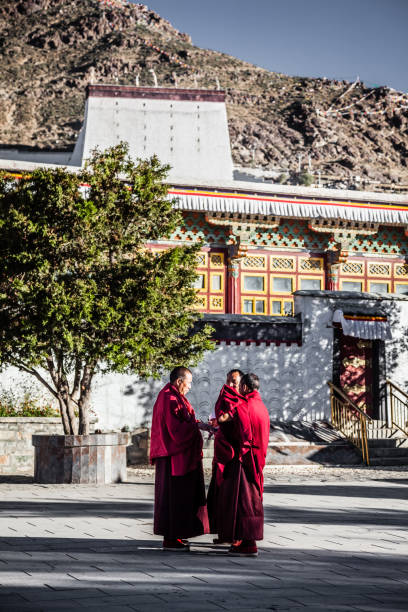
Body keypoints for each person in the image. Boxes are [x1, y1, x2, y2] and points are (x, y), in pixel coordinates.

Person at [150, 366, 208, 551]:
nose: (190, 387)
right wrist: (195, 428)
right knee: (173, 498)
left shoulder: (173, 396)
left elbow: (185, 421)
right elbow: (176, 431)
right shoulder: (169, 398)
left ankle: (176, 535)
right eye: (188, 383)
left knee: (178, 497)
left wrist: (201, 425)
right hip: (172, 457)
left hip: (174, 455)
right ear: (178, 381)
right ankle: (171, 537)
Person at [213, 372, 270, 557]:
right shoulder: (261, 406)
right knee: (251, 501)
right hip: (255, 459)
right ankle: (245, 541)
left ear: (244, 387)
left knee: (242, 502)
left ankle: (247, 543)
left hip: (242, 459)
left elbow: (224, 420)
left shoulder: (244, 405)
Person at [207, 369, 246, 539]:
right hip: (222, 452)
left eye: (234, 382)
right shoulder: (225, 397)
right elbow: (223, 419)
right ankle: (222, 531)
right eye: (228, 381)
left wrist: (226, 418)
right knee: (220, 493)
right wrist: (217, 424)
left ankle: (233, 533)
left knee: (232, 495)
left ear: (242, 385)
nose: (229, 385)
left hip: (235, 454)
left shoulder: (243, 402)